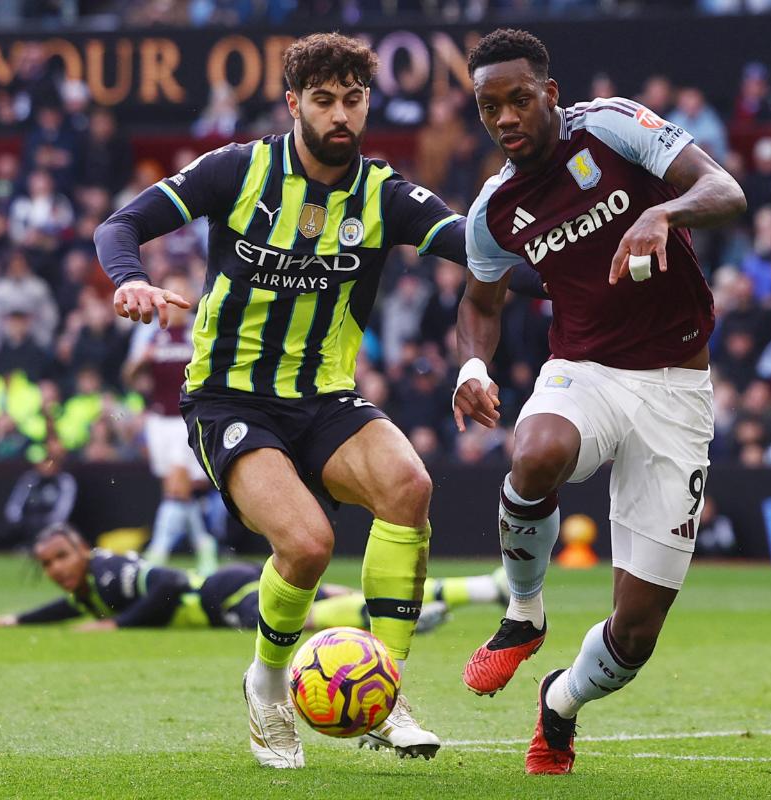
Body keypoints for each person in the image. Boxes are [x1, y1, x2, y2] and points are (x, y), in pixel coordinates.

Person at [94, 33, 470, 767]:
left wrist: (572, 260)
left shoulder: (386, 194)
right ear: (294, 102)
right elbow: (122, 224)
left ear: (368, 103)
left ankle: (383, 695)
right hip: (229, 399)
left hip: (325, 396)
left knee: (409, 485)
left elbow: (479, 251)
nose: (340, 115)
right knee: (305, 544)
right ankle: (268, 686)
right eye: (324, 100)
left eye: (353, 100)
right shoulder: (239, 169)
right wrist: (127, 278)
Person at [453, 30, 745, 775]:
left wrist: (665, 214)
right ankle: (523, 614)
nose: (507, 117)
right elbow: (479, 300)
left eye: (519, 99)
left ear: (549, 93)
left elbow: (727, 191)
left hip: (677, 387)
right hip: (585, 370)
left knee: (637, 633)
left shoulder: (611, 126)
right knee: (536, 452)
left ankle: (561, 703)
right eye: (490, 108)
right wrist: (474, 365)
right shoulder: (495, 209)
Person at [0, 523, 508, 635]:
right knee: (337, 597)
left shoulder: (107, 570)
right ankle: (487, 588)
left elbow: (161, 587)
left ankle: (391, 622)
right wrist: (17, 619)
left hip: (218, 593)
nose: (56, 570)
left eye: (60, 557)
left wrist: (122, 627)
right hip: (231, 583)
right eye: (47, 565)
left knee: (299, 618)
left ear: (79, 550)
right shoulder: (90, 588)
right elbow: (75, 609)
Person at [123, 273, 220, 576]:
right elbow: (130, 377)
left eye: (180, 292)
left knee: (178, 484)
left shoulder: (199, 332)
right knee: (177, 489)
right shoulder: (150, 334)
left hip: (185, 417)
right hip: (157, 419)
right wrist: (142, 360)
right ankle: (206, 547)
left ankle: (157, 554)